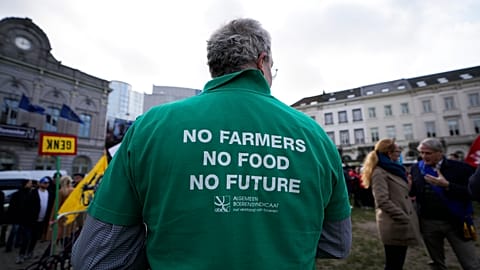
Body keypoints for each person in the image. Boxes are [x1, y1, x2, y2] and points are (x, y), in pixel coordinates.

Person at [72, 18, 352, 269]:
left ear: (214, 67)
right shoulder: (314, 135)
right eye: (272, 68)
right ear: (262, 61)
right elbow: (336, 244)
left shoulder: (152, 125)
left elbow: (96, 255)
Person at [410, 138, 480, 270]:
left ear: (440, 152)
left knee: (471, 263)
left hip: (456, 221)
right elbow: (416, 192)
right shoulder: (416, 168)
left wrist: (448, 186)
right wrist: (409, 188)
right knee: (436, 263)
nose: (424, 156)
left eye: (428, 153)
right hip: (428, 223)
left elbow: (472, 193)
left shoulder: (460, 168)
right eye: (421, 153)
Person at [361, 139, 420, 270]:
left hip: (401, 221)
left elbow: (399, 193)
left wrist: (408, 186)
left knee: (398, 263)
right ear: (389, 153)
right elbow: (382, 200)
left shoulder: (395, 169)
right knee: (394, 264)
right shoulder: (379, 172)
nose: (399, 154)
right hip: (394, 223)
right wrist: (403, 217)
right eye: (398, 151)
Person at [16, 176, 54, 264]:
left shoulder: (50, 193)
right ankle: (21, 254)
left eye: (47, 183)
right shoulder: (33, 193)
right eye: (44, 182)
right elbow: (26, 206)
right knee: (26, 238)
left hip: (41, 221)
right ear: (40, 183)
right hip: (30, 221)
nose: (46, 184)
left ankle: (30, 252)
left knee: (34, 238)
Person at [5, 180, 33, 253]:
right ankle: (9, 246)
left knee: (20, 231)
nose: (31, 185)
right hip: (17, 216)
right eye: (30, 183)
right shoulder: (18, 194)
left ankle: (17, 244)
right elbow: (13, 206)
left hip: (23, 216)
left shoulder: (29, 193)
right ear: (25, 184)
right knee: (14, 231)